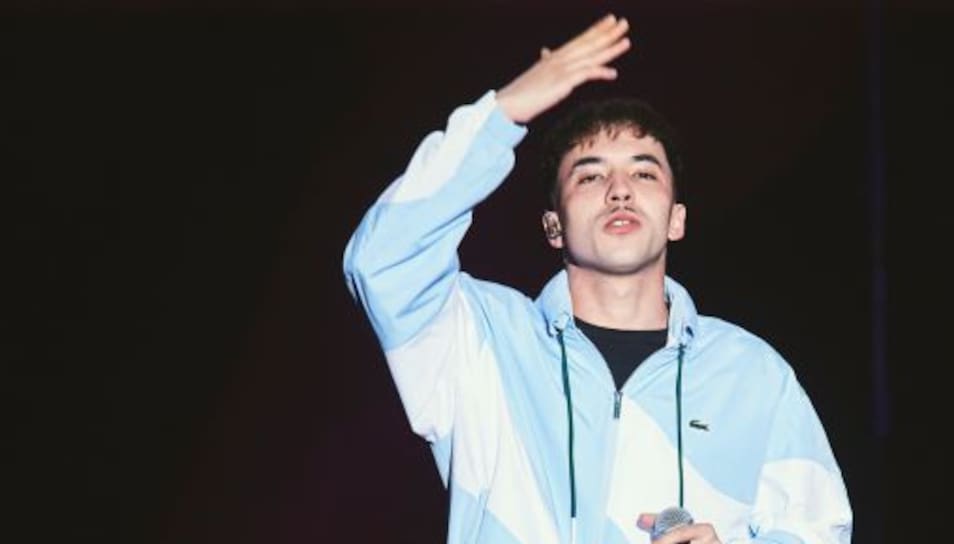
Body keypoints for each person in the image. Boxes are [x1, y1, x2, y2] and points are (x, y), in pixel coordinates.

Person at [343, 14, 852, 544]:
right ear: (553, 226)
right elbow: (381, 259)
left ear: (676, 219)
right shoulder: (482, 343)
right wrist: (502, 114)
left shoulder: (753, 375)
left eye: (644, 172)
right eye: (590, 175)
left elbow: (820, 530)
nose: (619, 190)